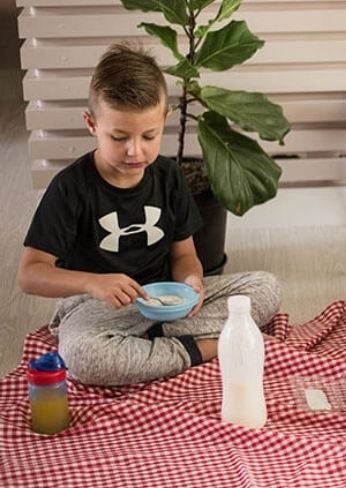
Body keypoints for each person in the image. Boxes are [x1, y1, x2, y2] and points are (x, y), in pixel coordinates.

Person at [16, 43, 281, 386]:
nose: (134, 150)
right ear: (92, 124)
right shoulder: (70, 188)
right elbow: (30, 274)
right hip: (98, 308)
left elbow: (184, 254)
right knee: (83, 357)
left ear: (164, 120)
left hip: (164, 301)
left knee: (265, 288)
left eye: (149, 136)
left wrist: (191, 282)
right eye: (119, 136)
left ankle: (149, 344)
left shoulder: (168, 176)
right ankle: (203, 348)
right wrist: (92, 282)